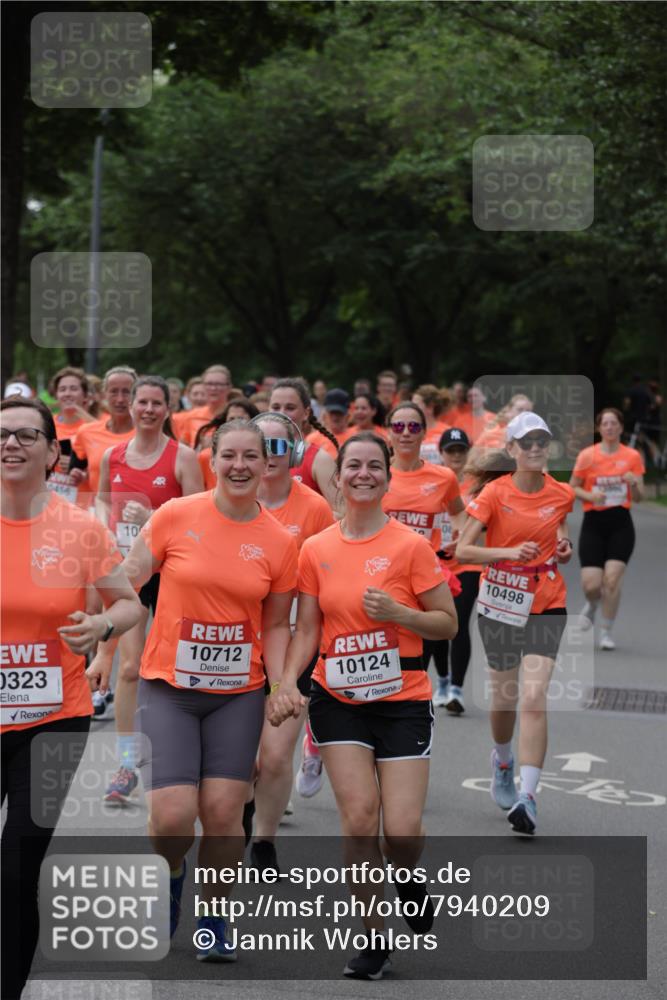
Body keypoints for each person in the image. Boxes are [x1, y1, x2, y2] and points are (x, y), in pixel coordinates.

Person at [268, 432, 457, 980]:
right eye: (354, 466)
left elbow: (445, 622)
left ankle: (406, 874)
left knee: (400, 831)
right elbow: (308, 630)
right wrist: (286, 682)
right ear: (338, 476)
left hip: (402, 698)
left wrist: (401, 615)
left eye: (375, 466)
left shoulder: (410, 547)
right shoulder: (317, 549)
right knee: (358, 820)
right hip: (339, 698)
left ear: (387, 477)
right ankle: (373, 939)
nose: (364, 474)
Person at [119, 419, 297, 961]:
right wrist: (106, 643)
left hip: (238, 692)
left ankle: (214, 917)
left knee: (222, 813)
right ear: (211, 461)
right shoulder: (175, 516)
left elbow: (275, 624)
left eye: (252, 456)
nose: (240, 466)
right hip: (168, 685)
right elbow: (127, 580)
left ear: (267, 462)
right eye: (229, 456)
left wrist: (279, 683)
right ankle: (173, 873)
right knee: (172, 816)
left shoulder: (280, 540)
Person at [1, 397, 141, 1000]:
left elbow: (129, 602)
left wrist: (102, 629)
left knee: (16, 870)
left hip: (53, 718)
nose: (10, 445)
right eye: (1, 435)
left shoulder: (81, 528)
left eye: (26, 435)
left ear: (53, 452)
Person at [456, 412, 575, 836]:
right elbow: (464, 552)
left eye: (542, 441)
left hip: (546, 602)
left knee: (534, 697)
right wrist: (507, 554)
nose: (536, 448)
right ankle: (502, 759)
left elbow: (559, 535)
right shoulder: (493, 494)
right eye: (527, 443)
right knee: (504, 699)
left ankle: (528, 797)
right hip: (501, 604)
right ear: (512, 450)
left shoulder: (562, 494)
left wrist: (563, 548)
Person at [91, 376, 204, 803]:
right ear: (131, 406)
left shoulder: (183, 457)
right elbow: (102, 499)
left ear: (168, 408)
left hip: (173, 572)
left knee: (177, 666)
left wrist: (153, 515)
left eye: (158, 403)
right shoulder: (112, 455)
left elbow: (199, 519)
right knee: (128, 668)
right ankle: (125, 764)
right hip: (129, 570)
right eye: (143, 402)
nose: (149, 409)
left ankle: (184, 754)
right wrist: (105, 523)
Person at [249, 412, 334, 873]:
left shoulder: (314, 509)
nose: (270, 457)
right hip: (236, 645)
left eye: (280, 447)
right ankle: (241, 812)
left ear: (295, 453)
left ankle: (264, 840)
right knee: (241, 759)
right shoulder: (230, 500)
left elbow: (327, 576)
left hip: (294, 643)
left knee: (278, 755)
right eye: (262, 446)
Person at [382, 403, 465, 700]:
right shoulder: (376, 474)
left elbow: (458, 513)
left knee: (417, 662)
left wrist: (458, 536)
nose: (406, 433)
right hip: (380, 576)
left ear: (423, 434)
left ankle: (411, 719)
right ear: (388, 432)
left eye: (413, 427)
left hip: (423, 580)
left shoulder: (443, 477)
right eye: (399, 427)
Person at [570, 408, 644, 650]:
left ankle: (605, 632)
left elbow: (640, 497)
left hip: (621, 524)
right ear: (599, 428)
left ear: (621, 428)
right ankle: (592, 605)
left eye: (614, 423)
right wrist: (590, 494)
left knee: (612, 580)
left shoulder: (632, 456)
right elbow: (572, 488)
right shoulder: (587, 456)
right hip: (593, 523)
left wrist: (634, 485)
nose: (610, 428)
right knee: (591, 584)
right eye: (605, 424)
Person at [431, 428, 482, 711]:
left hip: (468, 564)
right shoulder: (433, 483)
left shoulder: (479, 485)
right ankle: (443, 679)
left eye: (461, 450)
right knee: (438, 625)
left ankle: (456, 690)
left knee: (460, 622)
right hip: (436, 564)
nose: (456, 456)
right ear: (441, 453)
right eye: (451, 450)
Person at [269, 378, 339, 509]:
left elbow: (341, 513)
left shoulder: (319, 460)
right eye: (276, 407)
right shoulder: (256, 456)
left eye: (290, 408)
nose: (282, 413)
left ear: (306, 413)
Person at [71, 365, 137, 497]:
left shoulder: (149, 433)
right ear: (104, 394)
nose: (120, 399)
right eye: (113, 391)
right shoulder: (86, 432)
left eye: (126, 392)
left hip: (139, 512)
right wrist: (80, 475)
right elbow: (75, 470)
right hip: (99, 511)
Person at [47, 366, 95, 505]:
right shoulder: (46, 423)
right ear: (56, 395)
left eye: (73, 389)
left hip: (84, 506)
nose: (67, 394)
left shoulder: (95, 426)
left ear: (85, 395)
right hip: (51, 504)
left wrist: (81, 470)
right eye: (62, 389)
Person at [176, 364, 233, 446]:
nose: (213, 388)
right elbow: (182, 449)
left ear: (229, 387)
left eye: (219, 384)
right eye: (209, 384)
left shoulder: (236, 415)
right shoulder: (191, 416)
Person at [412, 385, 451, 464]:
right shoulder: (409, 431)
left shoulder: (447, 432)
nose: (412, 409)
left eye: (416, 405)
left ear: (430, 407)